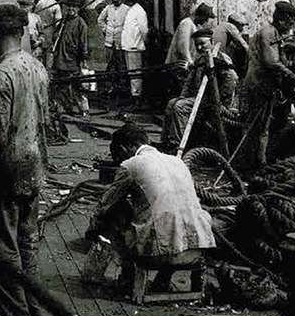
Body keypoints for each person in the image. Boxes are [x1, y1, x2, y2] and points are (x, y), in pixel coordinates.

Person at [0, 2, 49, 316]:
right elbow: (44, 121)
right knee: (28, 243)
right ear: (21, 33)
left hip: (6, 171)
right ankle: (35, 309)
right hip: (35, 166)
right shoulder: (38, 69)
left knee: (1, 245)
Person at [90, 123, 215, 295]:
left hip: (158, 256)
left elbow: (106, 204)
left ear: (124, 148)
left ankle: (128, 278)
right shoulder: (177, 161)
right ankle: (163, 280)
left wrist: (93, 229)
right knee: (173, 214)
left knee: (116, 211)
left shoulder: (130, 164)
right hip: (197, 249)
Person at [239, 0, 295, 169]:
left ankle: (258, 162)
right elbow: (271, 61)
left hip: (264, 87)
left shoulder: (274, 33)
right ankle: (250, 165)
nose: (290, 29)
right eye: (289, 24)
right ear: (282, 20)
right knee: (256, 127)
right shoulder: (269, 33)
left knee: (263, 127)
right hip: (258, 86)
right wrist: (292, 75)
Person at [162, 28, 238, 152]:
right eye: (197, 44)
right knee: (172, 103)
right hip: (198, 98)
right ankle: (166, 142)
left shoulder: (221, 58)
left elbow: (231, 81)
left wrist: (221, 101)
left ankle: (178, 144)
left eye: (203, 43)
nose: (200, 47)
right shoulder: (200, 59)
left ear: (211, 42)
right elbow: (189, 81)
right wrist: (183, 96)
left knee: (180, 107)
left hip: (212, 101)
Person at [52, 0, 91, 117]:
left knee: (78, 86)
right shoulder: (64, 21)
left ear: (78, 9)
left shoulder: (81, 24)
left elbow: (84, 43)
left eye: (74, 7)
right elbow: (56, 37)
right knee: (62, 85)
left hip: (73, 59)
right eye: (69, 6)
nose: (71, 9)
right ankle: (65, 108)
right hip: (61, 58)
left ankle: (84, 110)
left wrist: (84, 60)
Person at [166, 3, 215, 95]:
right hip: (180, 64)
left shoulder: (194, 25)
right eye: (205, 17)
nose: (206, 20)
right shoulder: (187, 24)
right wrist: (191, 62)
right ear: (199, 15)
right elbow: (182, 47)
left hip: (187, 65)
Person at [119, 0, 150, 105]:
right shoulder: (130, 10)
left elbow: (144, 30)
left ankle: (136, 97)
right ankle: (133, 95)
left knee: (135, 73)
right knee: (131, 73)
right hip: (128, 45)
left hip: (135, 46)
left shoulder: (140, 11)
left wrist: (143, 43)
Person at [98, 0, 129, 99]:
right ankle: (108, 88)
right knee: (109, 65)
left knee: (121, 65)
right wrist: (106, 29)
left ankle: (120, 89)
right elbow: (100, 20)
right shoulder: (108, 8)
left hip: (121, 42)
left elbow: (129, 24)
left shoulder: (126, 9)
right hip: (109, 42)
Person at [33, 0, 62, 64]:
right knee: (48, 55)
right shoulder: (56, 6)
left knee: (38, 54)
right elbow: (58, 23)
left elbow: (35, 16)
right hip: (49, 33)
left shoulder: (40, 3)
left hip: (39, 32)